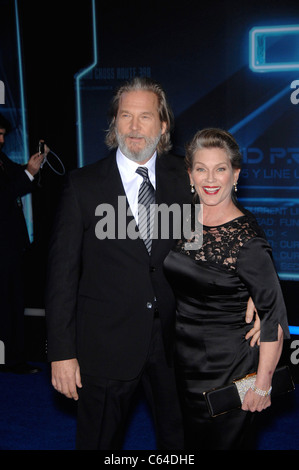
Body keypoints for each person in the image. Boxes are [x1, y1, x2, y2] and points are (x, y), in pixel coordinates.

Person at [45, 78, 258, 450]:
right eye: (125, 116)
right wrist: (62, 353)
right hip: (105, 347)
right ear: (114, 124)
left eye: (145, 117)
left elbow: (228, 226)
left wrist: (253, 284)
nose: (134, 126)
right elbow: (61, 276)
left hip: (178, 346)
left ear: (163, 126)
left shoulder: (188, 177)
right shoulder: (83, 185)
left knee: (183, 445)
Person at [163, 128, 290, 450]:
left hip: (228, 368)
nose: (211, 178)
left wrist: (262, 386)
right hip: (184, 361)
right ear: (190, 174)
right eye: (201, 168)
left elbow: (274, 317)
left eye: (220, 169)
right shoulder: (186, 218)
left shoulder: (247, 240)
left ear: (235, 175)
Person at [0, 113, 45, 374]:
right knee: (6, 306)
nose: (3, 139)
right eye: (0, 134)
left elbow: (17, 178)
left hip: (11, 247)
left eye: (4, 134)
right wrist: (27, 173)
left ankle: (13, 358)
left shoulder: (2, 160)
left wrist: (32, 167)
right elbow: (6, 193)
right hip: (3, 249)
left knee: (13, 304)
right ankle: (9, 360)